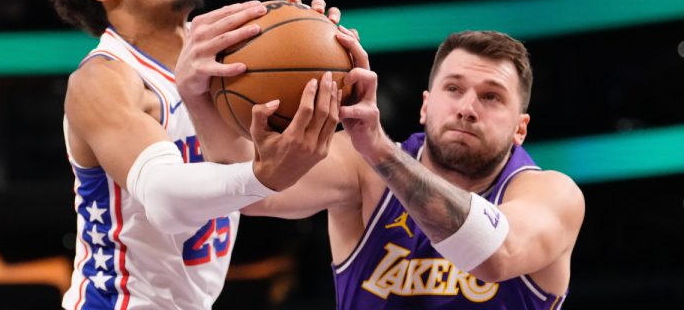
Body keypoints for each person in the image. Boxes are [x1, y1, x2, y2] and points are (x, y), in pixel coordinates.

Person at [41, 0, 341, 309]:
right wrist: (262, 173)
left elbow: (265, 193)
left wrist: (324, 64)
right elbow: (165, 197)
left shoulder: (231, 67)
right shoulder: (104, 79)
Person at [178, 21, 585, 308]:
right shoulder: (359, 167)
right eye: (453, 88)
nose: (466, 108)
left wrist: (381, 151)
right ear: (426, 106)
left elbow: (496, 256)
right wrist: (197, 92)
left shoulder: (551, 194)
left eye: (491, 96)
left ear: (520, 128)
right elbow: (250, 188)